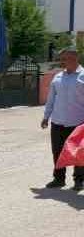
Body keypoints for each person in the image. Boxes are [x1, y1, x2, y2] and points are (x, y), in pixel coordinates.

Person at [42, 46, 84, 191]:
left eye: (65, 59)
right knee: (57, 151)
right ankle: (59, 178)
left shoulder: (83, 76)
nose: (62, 62)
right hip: (58, 121)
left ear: (74, 58)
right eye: (62, 59)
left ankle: (79, 180)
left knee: (78, 152)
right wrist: (46, 117)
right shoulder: (58, 77)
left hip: (78, 122)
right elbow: (51, 99)